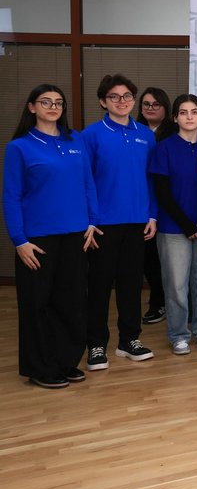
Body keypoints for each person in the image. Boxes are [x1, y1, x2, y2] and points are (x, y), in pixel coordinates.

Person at [3, 85, 99, 388]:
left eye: (58, 102)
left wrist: (92, 221)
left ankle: (65, 361)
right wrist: (19, 240)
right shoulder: (19, 147)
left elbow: (88, 183)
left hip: (75, 235)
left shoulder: (75, 140)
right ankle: (40, 367)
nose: (53, 107)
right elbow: (11, 196)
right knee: (37, 304)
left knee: (71, 303)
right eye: (46, 102)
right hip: (37, 240)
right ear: (32, 107)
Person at [82, 74, 157, 369]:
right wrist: (89, 220)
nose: (121, 101)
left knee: (131, 284)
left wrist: (152, 215)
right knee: (99, 286)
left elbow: (152, 179)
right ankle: (96, 344)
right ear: (103, 101)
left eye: (127, 96)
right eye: (114, 96)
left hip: (137, 222)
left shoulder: (146, 135)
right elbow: (84, 181)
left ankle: (129, 340)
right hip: (102, 225)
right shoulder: (91, 135)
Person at [149, 94, 197, 355]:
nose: (189, 117)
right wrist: (187, 224)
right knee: (176, 285)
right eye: (184, 112)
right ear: (175, 117)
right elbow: (162, 192)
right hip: (173, 228)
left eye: (194, 112)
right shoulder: (164, 148)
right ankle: (178, 334)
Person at [137, 86, 170, 324]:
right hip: (139, 202)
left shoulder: (173, 134)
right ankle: (157, 301)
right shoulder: (133, 131)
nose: (150, 108)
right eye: (146, 104)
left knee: (161, 260)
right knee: (145, 259)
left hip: (165, 203)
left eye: (156, 104)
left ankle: (161, 303)